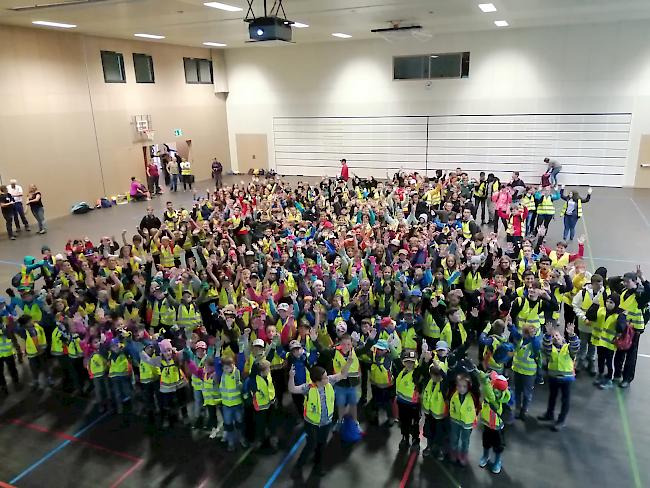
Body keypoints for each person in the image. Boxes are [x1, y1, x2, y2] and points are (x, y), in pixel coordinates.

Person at [288, 356, 353, 479]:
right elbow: (292, 389)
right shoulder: (308, 388)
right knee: (311, 444)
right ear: (317, 381)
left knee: (321, 444)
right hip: (311, 423)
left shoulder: (329, 381)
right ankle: (298, 466)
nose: (327, 378)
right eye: (324, 377)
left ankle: (318, 465)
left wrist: (348, 362)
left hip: (326, 422)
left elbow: (343, 374)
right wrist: (291, 377)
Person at [537, 322, 580, 431]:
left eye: (557, 335)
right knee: (552, 397)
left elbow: (575, 346)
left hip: (567, 379)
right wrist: (547, 334)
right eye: (553, 336)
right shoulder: (550, 349)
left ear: (562, 337)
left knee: (565, 400)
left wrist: (572, 335)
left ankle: (561, 420)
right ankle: (549, 414)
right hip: (553, 378)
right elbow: (546, 345)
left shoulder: (568, 348)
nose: (555, 338)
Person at [614, 268, 650, 388]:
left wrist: (642, 278)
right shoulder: (625, 291)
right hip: (623, 326)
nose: (624, 284)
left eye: (627, 281)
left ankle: (627, 378)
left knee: (630, 354)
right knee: (620, 350)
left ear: (635, 282)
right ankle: (617, 374)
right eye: (624, 282)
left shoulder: (640, 296)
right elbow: (611, 282)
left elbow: (649, 292)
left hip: (634, 329)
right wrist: (622, 278)